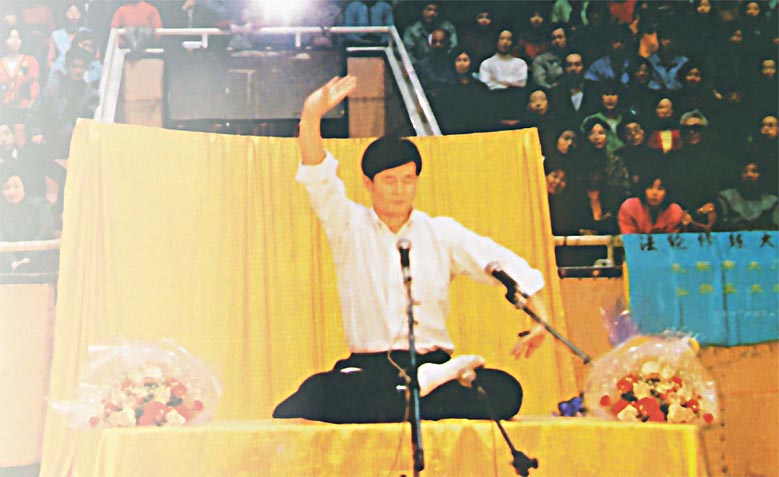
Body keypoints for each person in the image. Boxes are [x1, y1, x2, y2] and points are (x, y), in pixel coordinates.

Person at [272, 76, 548, 424]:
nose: (400, 190)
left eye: (408, 180)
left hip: (432, 361)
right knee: (315, 395)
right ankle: (417, 392)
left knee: (505, 391)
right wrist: (311, 115)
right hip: (370, 369)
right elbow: (318, 177)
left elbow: (499, 263)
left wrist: (540, 317)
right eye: (389, 181)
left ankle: (417, 388)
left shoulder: (440, 232)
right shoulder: (348, 225)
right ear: (369, 183)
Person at [0, 167, 57, 273]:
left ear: (25, 187)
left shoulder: (41, 205)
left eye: (17, 186)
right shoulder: (2, 210)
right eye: (7, 188)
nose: (12, 191)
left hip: (40, 262)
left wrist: (28, 259)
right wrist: (12, 262)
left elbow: (45, 231)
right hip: (8, 265)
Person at [714, 158, 778, 231]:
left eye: (754, 171)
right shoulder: (726, 197)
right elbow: (721, 227)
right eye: (744, 171)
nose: (749, 175)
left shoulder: (772, 201)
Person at [618, 173, 684, 234]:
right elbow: (629, 238)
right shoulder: (629, 207)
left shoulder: (674, 211)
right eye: (650, 187)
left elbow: (672, 240)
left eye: (660, 189)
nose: (654, 193)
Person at [532, 23, 569, 89]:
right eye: (553, 38)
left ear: (567, 39)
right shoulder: (541, 60)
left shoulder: (575, 57)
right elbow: (540, 82)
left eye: (560, 37)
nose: (557, 41)